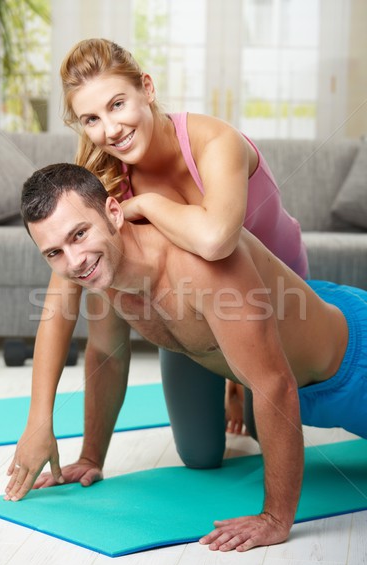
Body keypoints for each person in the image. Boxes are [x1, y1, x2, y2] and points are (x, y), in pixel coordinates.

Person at [6, 163, 366, 554]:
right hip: (277, 368)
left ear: (114, 213)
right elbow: (107, 355)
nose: (74, 260)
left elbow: (275, 384)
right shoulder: (101, 273)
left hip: (349, 365)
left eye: (80, 234)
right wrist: (91, 456)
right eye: (55, 252)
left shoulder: (197, 266)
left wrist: (276, 518)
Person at [27, 37, 309, 452]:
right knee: (199, 455)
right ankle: (224, 379)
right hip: (194, 319)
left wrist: (145, 203)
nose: (110, 130)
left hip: (277, 303)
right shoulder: (106, 183)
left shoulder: (214, 141)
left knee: (264, 428)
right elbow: (62, 301)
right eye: (91, 119)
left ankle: (237, 385)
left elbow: (216, 241)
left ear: (147, 88)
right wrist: (42, 425)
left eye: (117, 104)